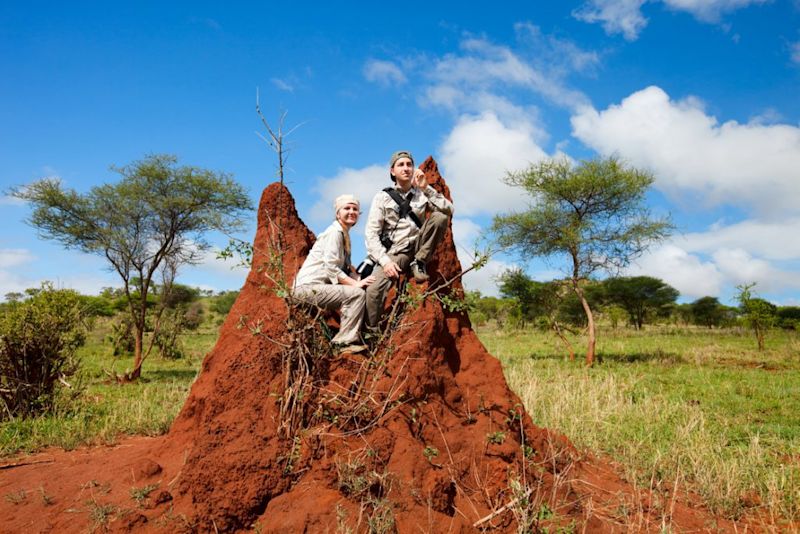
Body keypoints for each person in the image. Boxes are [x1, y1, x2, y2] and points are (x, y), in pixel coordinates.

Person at [363, 150, 453, 331]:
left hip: (419, 246)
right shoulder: (382, 197)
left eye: (409, 164)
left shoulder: (422, 193)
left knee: (440, 217)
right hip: (397, 252)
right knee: (374, 291)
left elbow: (448, 209)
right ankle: (372, 333)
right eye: (401, 165)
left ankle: (419, 263)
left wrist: (426, 187)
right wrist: (385, 262)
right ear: (392, 171)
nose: (406, 168)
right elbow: (371, 234)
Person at [293, 194, 375, 353]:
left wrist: (355, 274)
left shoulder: (344, 234)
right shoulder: (335, 233)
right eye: (347, 208)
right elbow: (331, 266)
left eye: (355, 209)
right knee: (356, 293)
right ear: (338, 213)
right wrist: (355, 283)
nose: (352, 212)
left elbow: (339, 266)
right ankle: (343, 343)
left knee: (354, 290)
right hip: (307, 289)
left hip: (314, 289)